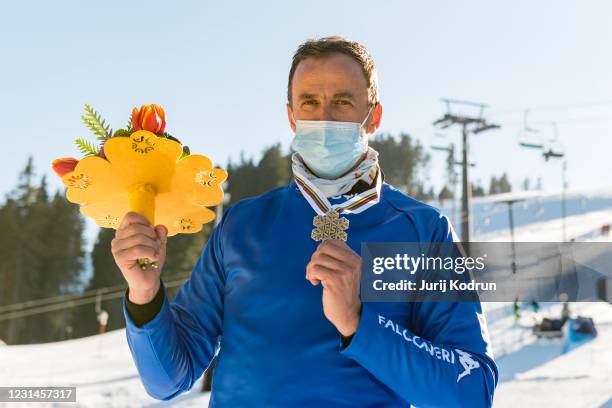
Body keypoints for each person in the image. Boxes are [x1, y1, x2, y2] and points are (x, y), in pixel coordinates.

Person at [113, 36, 498, 407]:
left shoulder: (423, 231)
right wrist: (145, 295)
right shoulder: (242, 226)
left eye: (343, 102)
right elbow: (167, 380)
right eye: (309, 102)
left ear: (374, 115)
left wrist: (359, 324)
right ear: (291, 116)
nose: (324, 117)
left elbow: (471, 392)